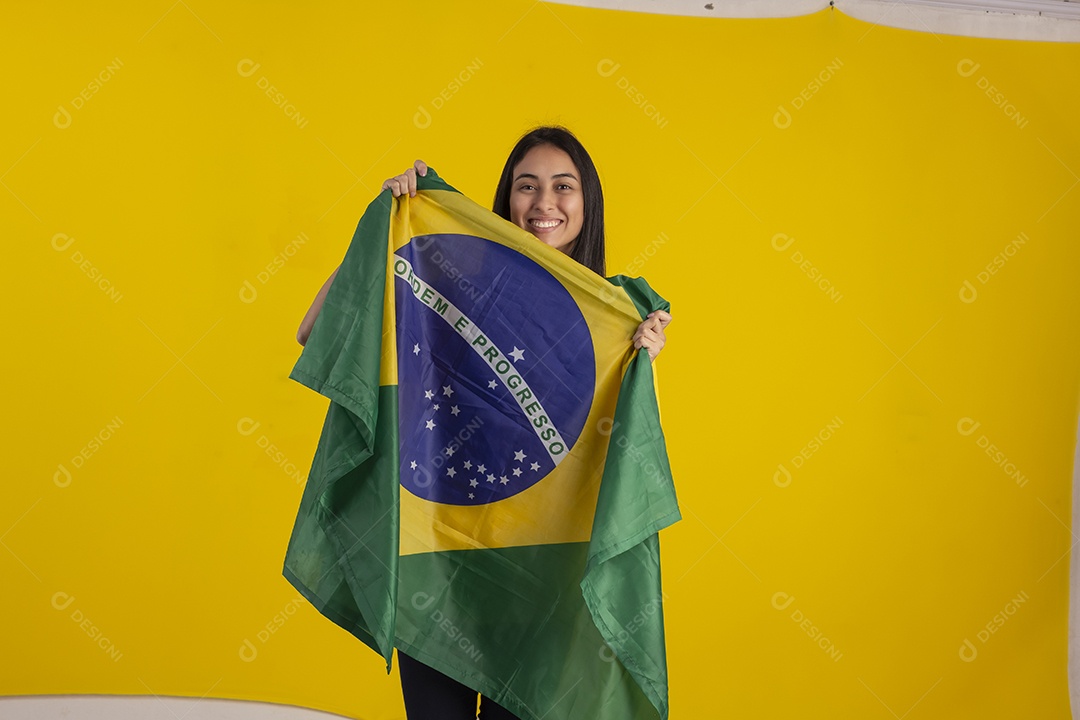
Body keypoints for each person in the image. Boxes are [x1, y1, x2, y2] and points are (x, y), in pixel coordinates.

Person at [296, 125, 672, 720]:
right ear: (507, 202)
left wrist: (641, 360)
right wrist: (381, 237)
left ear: (586, 205)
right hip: (440, 563)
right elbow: (315, 332)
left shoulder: (617, 314)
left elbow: (620, 453)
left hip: (539, 580)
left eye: (562, 187)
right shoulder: (450, 277)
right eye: (527, 186)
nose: (544, 202)